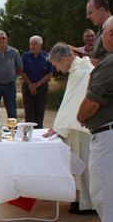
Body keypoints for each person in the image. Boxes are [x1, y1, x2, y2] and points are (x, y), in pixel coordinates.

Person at [44, 42, 95, 215]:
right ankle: (82, 200)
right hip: (76, 128)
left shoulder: (81, 72)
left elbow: (75, 103)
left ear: (64, 59)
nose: (57, 69)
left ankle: (89, 203)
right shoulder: (78, 69)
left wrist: (60, 127)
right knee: (81, 166)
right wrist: (59, 126)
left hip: (82, 129)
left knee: (86, 166)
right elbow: (69, 102)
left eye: (57, 65)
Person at [76, 16, 113, 220]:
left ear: (110, 35)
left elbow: (92, 101)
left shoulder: (111, 62)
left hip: (107, 135)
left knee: (104, 195)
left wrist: (82, 117)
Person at [21, 35, 53, 128]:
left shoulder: (47, 56)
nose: (32, 47)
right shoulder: (25, 56)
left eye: (34, 45)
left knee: (39, 112)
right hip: (28, 87)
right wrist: (31, 85)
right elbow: (23, 72)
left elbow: (49, 74)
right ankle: (28, 133)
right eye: (31, 45)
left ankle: (38, 133)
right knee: (29, 112)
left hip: (41, 87)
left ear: (40, 45)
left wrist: (37, 84)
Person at [86, 0, 111, 66]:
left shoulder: (110, 31)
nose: (88, 17)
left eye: (90, 13)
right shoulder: (100, 31)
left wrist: (82, 61)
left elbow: (108, 63)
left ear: (102, 10)